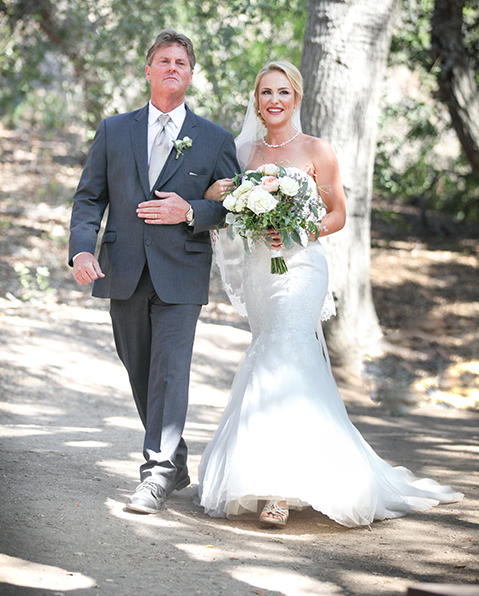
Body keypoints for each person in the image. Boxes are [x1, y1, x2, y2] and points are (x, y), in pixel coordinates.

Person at [197, 60, 463, 528]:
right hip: (263, 268)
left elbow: (338, 214)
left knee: (286, 351)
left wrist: (296, 230)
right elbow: (220, 196)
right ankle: (273, 470)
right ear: (256, 102)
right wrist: (228, 190)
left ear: (296, 98)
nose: (274, 100)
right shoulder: (243, 152)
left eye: (283, 92)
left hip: (300, 266)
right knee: (268, 353)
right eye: (265, 92)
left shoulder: (317, 149)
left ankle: (278, 488)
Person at [69, 29, 240, 514]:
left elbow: (232, 207)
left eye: (181, 62)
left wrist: (189, 211)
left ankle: (156, 474)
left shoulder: (214, 139)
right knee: (141, 370)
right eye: (163, 60)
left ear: (190, 74)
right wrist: (83, 250)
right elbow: (88, 198)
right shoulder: (113, 130)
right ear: (148, 70)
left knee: (170, 370)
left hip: (181, 274)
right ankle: (176, 461)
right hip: (121, 269)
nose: (171, 68)